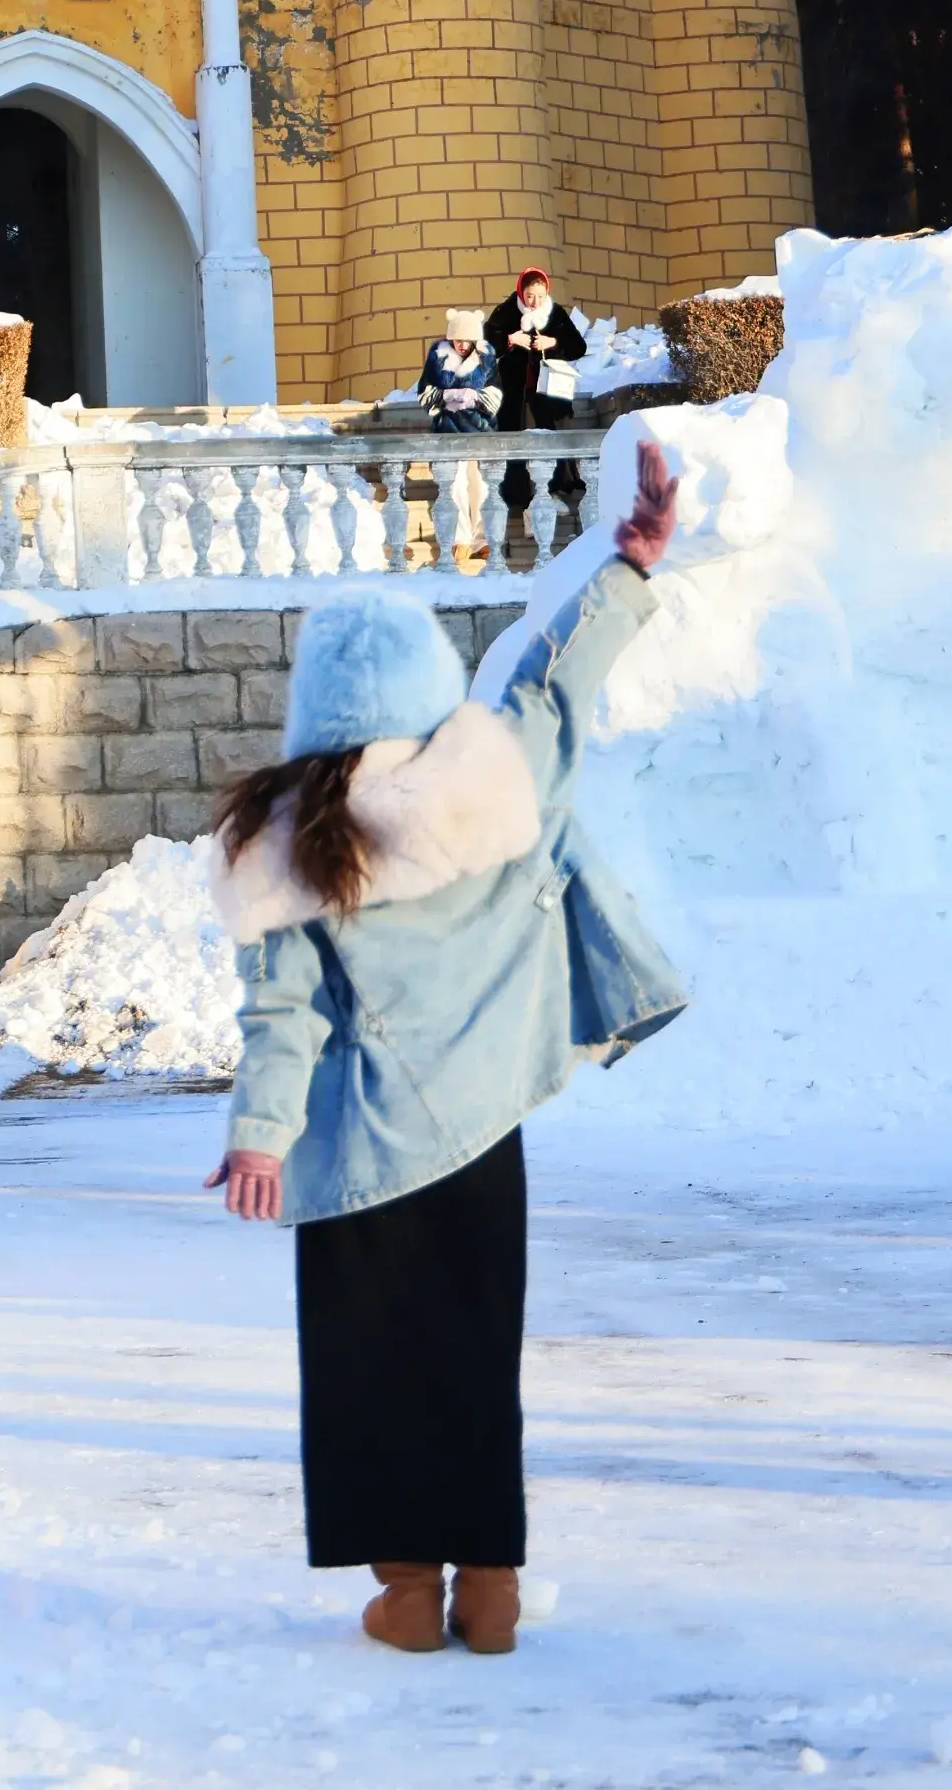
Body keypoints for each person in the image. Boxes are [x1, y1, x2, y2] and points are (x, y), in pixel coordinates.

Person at [205, 443, 685, 1660]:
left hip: (361, 1151)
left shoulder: (297, 837)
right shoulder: (499, 774)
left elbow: (284, 1011)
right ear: (427, 687)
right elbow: (563, 679)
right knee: (477, 1358)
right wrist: (631, 560)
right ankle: (495, 1590)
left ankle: (407, 1591)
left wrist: (261, 1133)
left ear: (315, 701)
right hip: (484, 1140)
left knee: (373, 1370)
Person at [485, 268, 587, 433]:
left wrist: (553, 342)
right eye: (530, 296)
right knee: (512, 432)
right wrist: (509, 340)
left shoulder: (555, 314)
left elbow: (578, 347)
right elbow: (485, 346)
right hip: (512, 386)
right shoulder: (506, 311)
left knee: (552, 434)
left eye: (541, 296)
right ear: (521, 292)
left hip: (550, 387)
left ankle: (560, 459)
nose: (535, 303)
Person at [413, 307, 498, 435]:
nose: (463, 346)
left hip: (480, 430)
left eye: (467, 341)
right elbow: (424, 392)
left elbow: (495, 393)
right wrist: (446, 396)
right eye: (458, 340)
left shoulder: (486, 359)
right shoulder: (437, 358)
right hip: (446, 432)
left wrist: (474, 398)